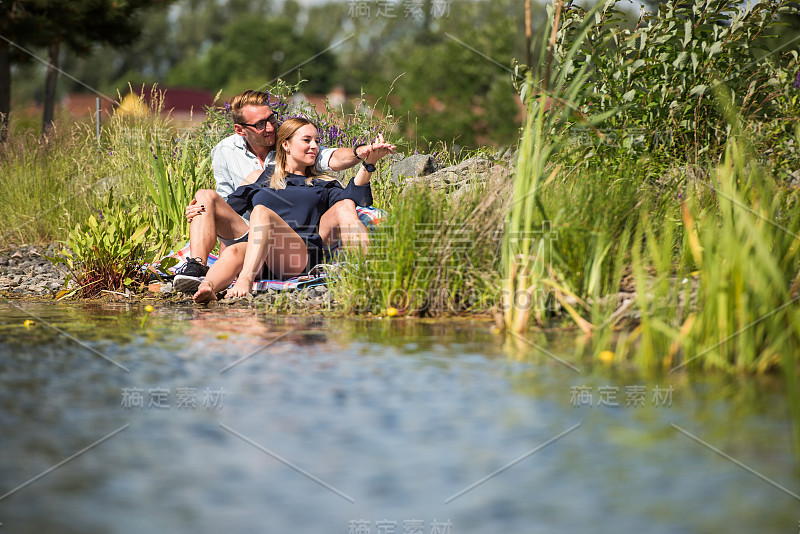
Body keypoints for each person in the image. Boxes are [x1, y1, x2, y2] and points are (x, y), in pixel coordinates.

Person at [173, 89, 393, 292]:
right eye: (307, 140)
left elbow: (356, 201)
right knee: (207, 201)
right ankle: (202, 281)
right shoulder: (259, 176)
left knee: (262, 212)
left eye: (316, 141)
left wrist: (368, 163)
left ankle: (365, 270)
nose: (315, 146)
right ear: (286, 145)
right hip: (257, 252)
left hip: (294, 255)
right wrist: (200, 211)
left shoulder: (322, 183)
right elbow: (228, 208)